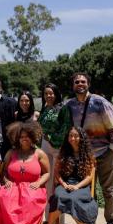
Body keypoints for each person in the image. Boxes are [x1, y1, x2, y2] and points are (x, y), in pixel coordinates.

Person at [66, 72, 113, 224]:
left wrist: (112, 150)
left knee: (108, 189)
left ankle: (111, 222)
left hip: (105, 152)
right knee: (89, 189)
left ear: (88, 84)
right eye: (77, 82)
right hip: (85, 155)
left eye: (83, 81)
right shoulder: (70, 105)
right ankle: (90, 218)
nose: (80, 84)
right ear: (73, 85)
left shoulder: (100, 102)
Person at [0, 122, 50, 224]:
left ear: (33, 137)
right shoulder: (11, 152)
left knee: (28, 202)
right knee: (4, 197)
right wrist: (6, 180)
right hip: (13, 185)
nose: (24, 138)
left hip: (33, 187)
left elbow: (47, 173)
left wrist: (39, 183)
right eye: (22, 136)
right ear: (17, 137)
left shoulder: (39, 153)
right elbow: (4, 171)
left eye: (27, 136)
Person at [43, 127, 98, 224]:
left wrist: (77, 186)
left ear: (81, 137)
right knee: (58, 197)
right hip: (65, 184)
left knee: (73, 199)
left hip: (82, 186)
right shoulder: (64, 152)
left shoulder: (89, 155)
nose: (72, 138)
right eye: (70, 136)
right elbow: (56, 173)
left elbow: (90, 176)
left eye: (75, 136)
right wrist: (63, 184)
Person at [38, 83, 72, 214]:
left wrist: (52, 139)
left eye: (51, 93)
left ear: (56, 94)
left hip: (58, 146)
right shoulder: (45, 108)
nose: (48, 96)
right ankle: (47, 215)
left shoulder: (63, 108)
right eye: (46, 93)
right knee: (47, 179)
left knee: (58, 180)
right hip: (45, 146)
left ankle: (58, 218)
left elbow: (66, 128)